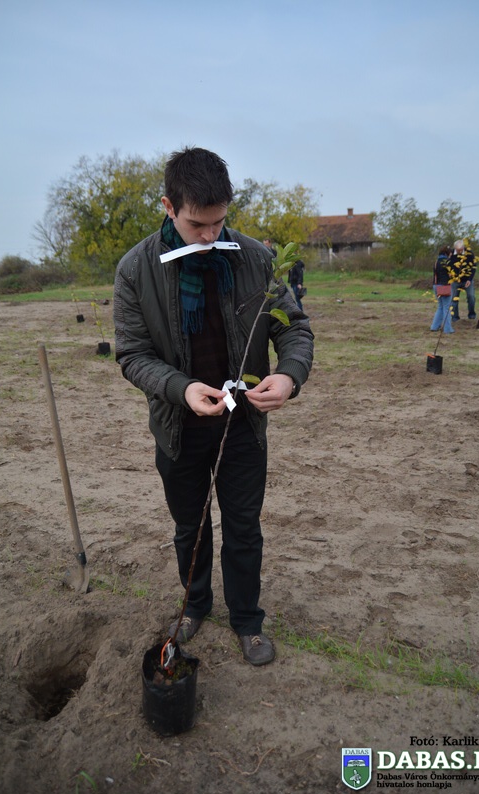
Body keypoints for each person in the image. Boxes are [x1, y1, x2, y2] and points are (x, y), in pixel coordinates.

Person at [113, 147, 314, 667]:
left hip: (242, 424)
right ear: (168, 206)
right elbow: (133, 355)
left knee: (244, 527)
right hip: (179, 427)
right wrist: (181, 389)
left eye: (219, 222)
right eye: (196, 225)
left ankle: (247, 619)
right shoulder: (135, 270)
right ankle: (195, 605)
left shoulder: (256, 258)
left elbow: (295, 330)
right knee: (191, 527)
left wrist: (289, 375)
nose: (209, 236)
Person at [450, 239, 477, 320]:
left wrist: (470, 279)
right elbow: (448, 265)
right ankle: (455, 317)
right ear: (455, 248)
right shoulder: (451, 254)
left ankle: (471, 315)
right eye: (458, 250)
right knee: (454, 299)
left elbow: (473, 267)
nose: (460, 252)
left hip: (467, 280)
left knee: (471, 297)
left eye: (461, 250)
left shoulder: (469, 253)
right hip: (455, 281)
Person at [430, 246, 454, 334]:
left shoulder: (436, 262)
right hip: (445, 286)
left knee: (440, 306)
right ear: (447, 254)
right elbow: (452, 274)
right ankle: (447, 329)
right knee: (446, 308)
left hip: (436, 285)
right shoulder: (448, 262)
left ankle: (434, 326)